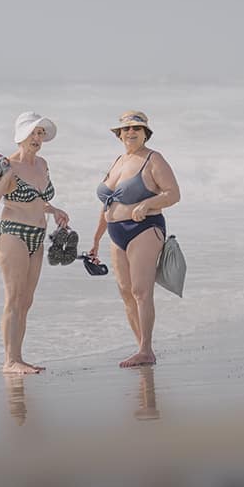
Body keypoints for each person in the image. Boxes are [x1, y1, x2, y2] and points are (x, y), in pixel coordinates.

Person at [0, 112, 71, 374]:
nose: (37, 138)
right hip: (13, 234)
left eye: (41, 133)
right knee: (14, 297)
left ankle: (18, 356)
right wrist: (4, 181)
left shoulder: (42, 164)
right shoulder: (7, 165)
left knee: (26, 300)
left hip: (37, 237)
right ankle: (9, 361)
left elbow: (36, 200)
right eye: (33, 132)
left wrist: (53, 210)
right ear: (21, 135)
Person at [90, 111, 181, 367]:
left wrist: (149, 203)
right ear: (119, 134)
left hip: (144, 228)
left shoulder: (154, 159)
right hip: (115, 232)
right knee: (126, 292)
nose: (131, 133)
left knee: (141, 290)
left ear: (145, 134)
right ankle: (141, 346)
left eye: (136, 129)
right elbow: (108, 204)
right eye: (126, 129)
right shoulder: (118, 161)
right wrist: (96, 239)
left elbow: (173, 194)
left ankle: (146, 350)